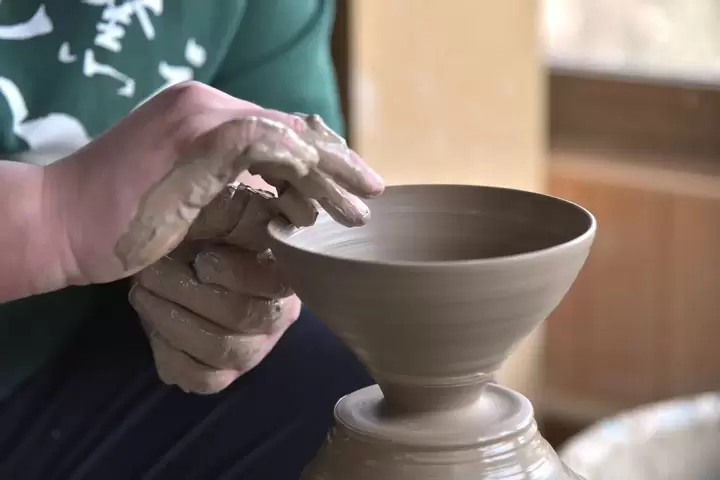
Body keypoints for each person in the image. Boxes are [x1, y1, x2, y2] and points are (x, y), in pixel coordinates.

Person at [0, 1, 384, 478]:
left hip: (58, 351)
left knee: (374, 395)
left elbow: (287, 185)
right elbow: (65, 217)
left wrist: (225, 251)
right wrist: (55, 214)